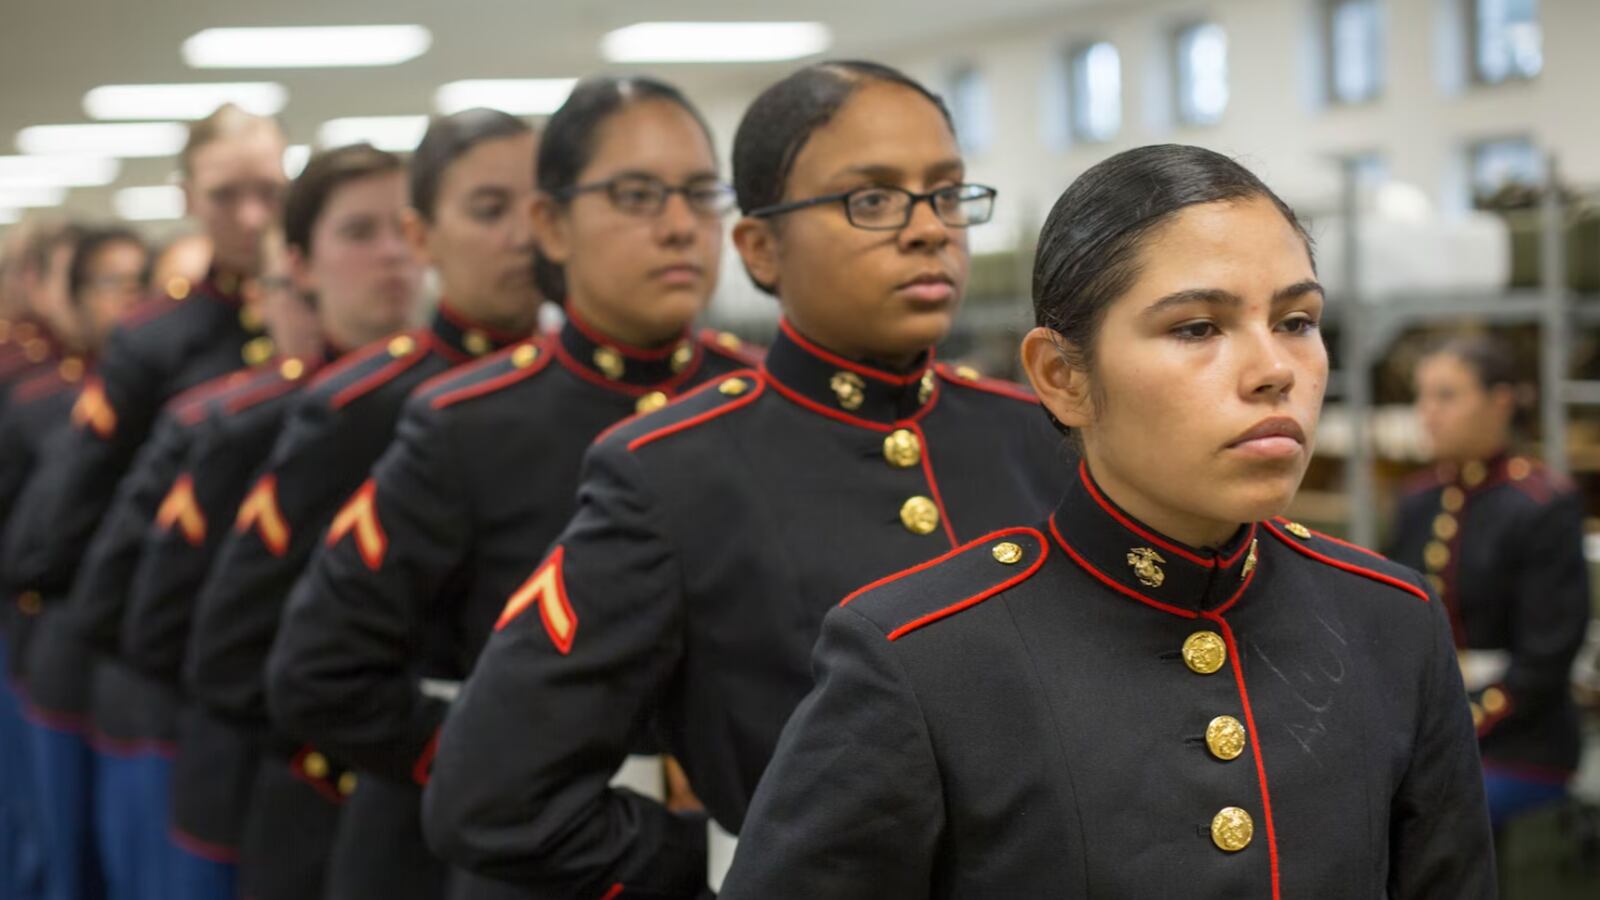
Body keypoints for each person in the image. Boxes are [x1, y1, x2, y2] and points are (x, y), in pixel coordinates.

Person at [718, 144, 1497, 899]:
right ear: (1062, 378)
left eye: (1296, 320)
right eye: (1197, 328)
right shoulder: (926, 662)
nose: (1274, 371)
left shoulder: (1389, 623)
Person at [422, 60, 1069, 897]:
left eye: (946, 194)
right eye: (871, 199)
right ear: (762, 248)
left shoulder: (1035, 438)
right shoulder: (674, 473)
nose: (928, 229)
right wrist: (729, 859)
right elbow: (492, 797)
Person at [266, 75, 760, 900]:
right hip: (541, 863)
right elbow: (318, 673)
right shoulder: (468, 423)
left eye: (700, 194)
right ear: (552, 226)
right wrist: (501, 764)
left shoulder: (757, 401)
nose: (679, 227)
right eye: (638, 195)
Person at [184, 108, 541, 900]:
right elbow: (233, 653)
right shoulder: (357, 409)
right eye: (489, 209)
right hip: (362, 811)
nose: (388, 255)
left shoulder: (555, 388)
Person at [0, 103, 284, 900]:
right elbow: (67, 521)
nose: (252, 215)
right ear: (189, 194)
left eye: (269, 188)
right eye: (229, 194)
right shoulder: (155, 339)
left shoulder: (320, 321)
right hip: (172, 677)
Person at [1389, 335, 1591, 829]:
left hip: (1520, 742)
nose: (1427, 412)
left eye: (1446, 396)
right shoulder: (1418, 500)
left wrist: (1450, 727)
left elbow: (1544, 662)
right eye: (1423, 396)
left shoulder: (1541, 505)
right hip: (1429, 723)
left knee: (1420, 814)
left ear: (1500, 402)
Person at [0, 225, 144, 900]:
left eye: (143, 285)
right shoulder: (38, 398)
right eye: (114, 285)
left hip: (136, 666)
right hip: (54, 640)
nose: (132, 303)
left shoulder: (174, 400)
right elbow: (27, 547)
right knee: (58, 847)